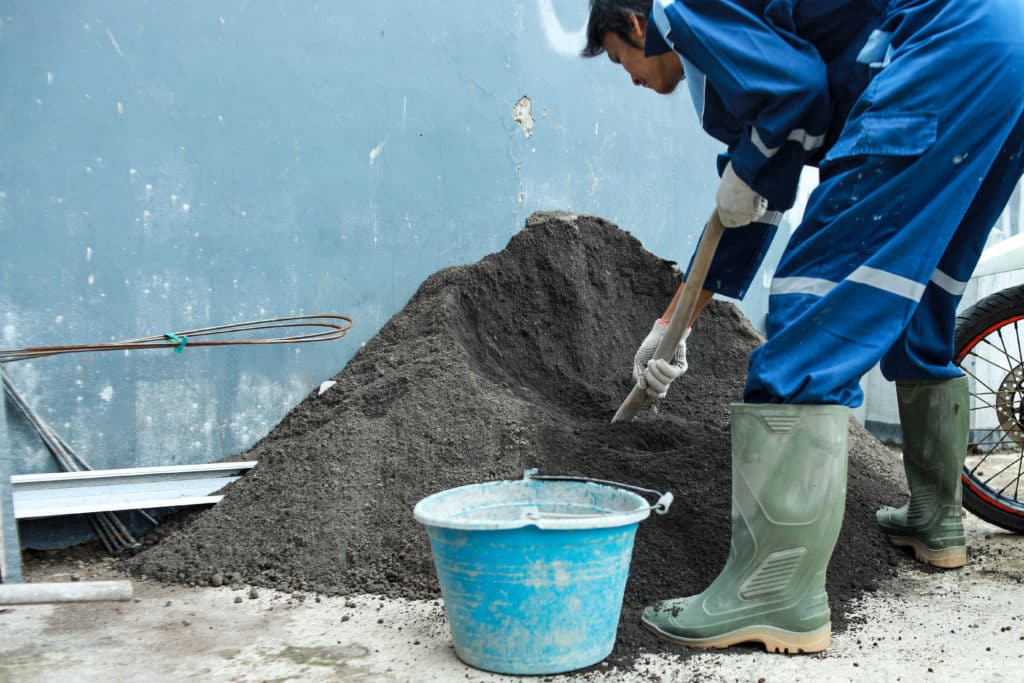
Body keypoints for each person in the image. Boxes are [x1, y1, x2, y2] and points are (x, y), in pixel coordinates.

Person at [584, 0, 1024, 654]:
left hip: (943, 50)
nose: (634, 80)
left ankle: (773, 592)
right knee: (917, 292)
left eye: (623, 62)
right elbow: (753, 198)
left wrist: (748, 168)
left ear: (636, 24)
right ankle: (936, 519)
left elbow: (797, 91)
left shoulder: (683, 11)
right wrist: (671, 324)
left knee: (809, 297)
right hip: (1003, 48)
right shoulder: (733, 55)